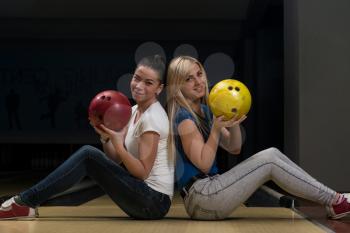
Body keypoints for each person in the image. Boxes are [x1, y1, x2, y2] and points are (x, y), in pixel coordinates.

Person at [166, 55, 350, 220]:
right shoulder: (184, 118)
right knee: (269, 160)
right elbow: (204, 164)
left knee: (273, 153)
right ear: (177, 86)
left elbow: (234, 147)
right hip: (201, 198)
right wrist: (215, 130)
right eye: (189, 79)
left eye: (199, 74)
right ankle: (335, 200)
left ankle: (334, 199)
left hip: (212, 191)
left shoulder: (206, 112)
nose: (198, 81)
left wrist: (234, 119)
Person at [0, 55, 174, 220]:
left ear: (159, 88)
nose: (139, 85)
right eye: (136, 78)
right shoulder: (134, 111)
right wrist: (106, 137)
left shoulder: (153, 118)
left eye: (148, 83)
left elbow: (142, 173)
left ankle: (24, 202)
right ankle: (24, 201)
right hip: (143, 196)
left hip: (153, 202)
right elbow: (115, 160)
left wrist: (119, 144)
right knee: (90, 161)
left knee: (88, 154)